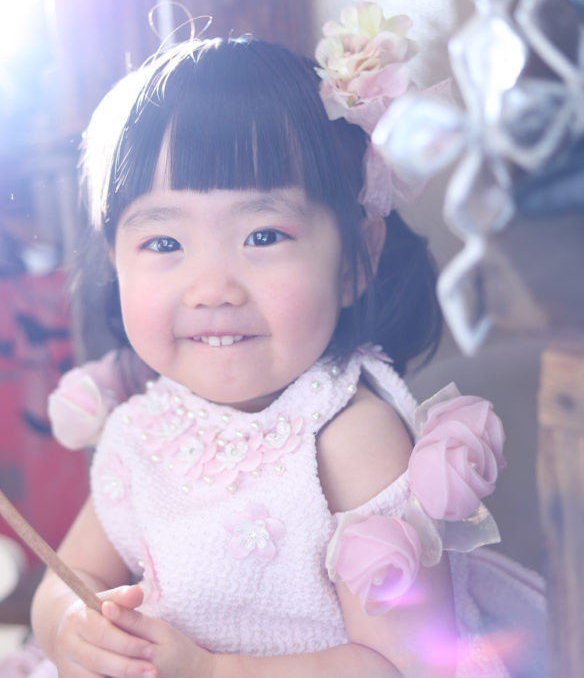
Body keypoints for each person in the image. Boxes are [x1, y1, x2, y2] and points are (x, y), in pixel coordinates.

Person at [31, 36, 545, 678]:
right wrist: (69, 626)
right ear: (116, 262)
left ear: (357, 257)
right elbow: (69, 574)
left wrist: (213, 671)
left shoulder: (350, 439)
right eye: (163, 242)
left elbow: (403, 665)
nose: (212, 288)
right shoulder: (141, 427)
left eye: (264, 235)